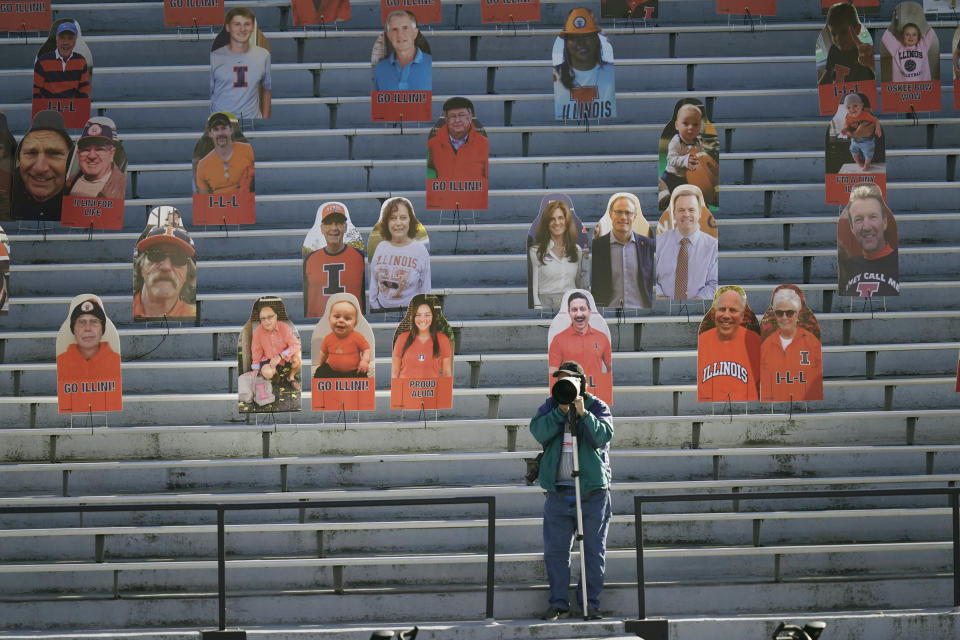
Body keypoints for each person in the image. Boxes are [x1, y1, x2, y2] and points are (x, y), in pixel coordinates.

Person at [530, 360, 613, 620]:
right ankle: (559, 604)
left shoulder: (596, 406)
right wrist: (560, 411)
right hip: (558, 493)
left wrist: (583, 414)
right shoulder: (551, 406)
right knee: (555, 552)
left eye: (569, 380)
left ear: (581, 382)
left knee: (593, 552)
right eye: (560, 380)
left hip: (592, 493)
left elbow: (603, 436)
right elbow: (537, 430)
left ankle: (590, 605)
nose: (563, 384)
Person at [56, 297, 122, 412]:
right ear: (73, 329)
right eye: (81, 322)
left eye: (94, 322)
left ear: (102, 329)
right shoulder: (62, 360)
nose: (87, 328)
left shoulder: (114, 360)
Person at [590, 192, 654, 308]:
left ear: (635, 217)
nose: (623, 217)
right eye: (618, 212)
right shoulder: (597, 246)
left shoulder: (648, 246)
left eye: (628, 213)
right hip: (607, 312)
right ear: (610, 214)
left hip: (641, 312)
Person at [697, 287, 761, 402]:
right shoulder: (703, 338)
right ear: (714, 312)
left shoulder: (753, 339)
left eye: (732, 310)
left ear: (742, 315)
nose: (726, 315)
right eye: (722, 309)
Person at [655, 185, 718, 301]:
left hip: (699, 310)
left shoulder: (713, 246)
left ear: (700, 213)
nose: (686, 214)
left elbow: (714, 283)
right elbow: (648, 278)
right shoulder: (658, 243)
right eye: (681, 210)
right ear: (674, 213)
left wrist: (697, 302)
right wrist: (658, 295)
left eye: (691, 209)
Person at [760, 288, 823, 402]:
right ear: (775, 315)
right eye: (779, 313)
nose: (784, 318)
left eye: (789, 313)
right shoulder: (766, 345)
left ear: (797, 314)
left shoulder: (812, 342)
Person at [368, 197, 431, 311]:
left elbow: (425, 288)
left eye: (403, 218)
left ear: (410, 220)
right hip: (381, 310)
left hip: (410, 312)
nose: (398, 223)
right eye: (392, 218)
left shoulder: (420, 250)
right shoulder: (380, 247)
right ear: (386, 222)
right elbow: (374, 282)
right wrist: (376, 307)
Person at [304, 202, 365, 317]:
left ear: (345, 227)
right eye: (328, 223)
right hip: (319, 321)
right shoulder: (310, 260)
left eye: (339, 223)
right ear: (321, 228)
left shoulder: (358, 257)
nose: (334, 228)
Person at [552, 7, 615, 119]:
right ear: (566, 43)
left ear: (597, 40)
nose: (581, 43)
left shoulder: (610, 71)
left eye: (587, 36)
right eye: (574, 37)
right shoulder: (557, 74)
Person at [838, 184, 900, 297]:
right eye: (859, 219)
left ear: (885, 222)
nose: (866, 227)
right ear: (851, 227)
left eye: (873, 217)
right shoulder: (847, 267)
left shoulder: (900, 261)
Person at [210, 8, 272, 119]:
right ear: (228, 27)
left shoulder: (264, 55)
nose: (242, 29)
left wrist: (264, 119)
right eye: (237, 24)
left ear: (253, 27)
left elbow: (267, 89)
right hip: (222, 124)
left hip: (252, 121)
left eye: (247, 24)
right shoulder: (214, 57)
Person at [12, 110, 72, 221]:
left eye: (54, 154)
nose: (40, 168)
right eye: (31, 153)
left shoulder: (84, 194)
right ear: (19, 160)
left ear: (70, 161)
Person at [133, 226, 197, 320]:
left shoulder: (192, 316)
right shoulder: (124, 309)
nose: (166, 267)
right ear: (141, 266)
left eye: (179, 258)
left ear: (187, 273)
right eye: (156, 254)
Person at [529, 200, 584, 309]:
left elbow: (579, 283)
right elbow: (534, 289)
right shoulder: (536, 251)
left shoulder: (576, 250)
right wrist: (538, 310)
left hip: (570, 306)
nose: (557, 223)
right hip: (546, 305)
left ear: (567, 221)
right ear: (546, 223)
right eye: (552, 219)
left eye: (560, 218)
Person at [548, 291, 611, 380]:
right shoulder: (558, 340)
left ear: (589, 311)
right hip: (569, 391)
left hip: (595, 392)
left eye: (582, 309)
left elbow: (611, 368)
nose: (579, 314)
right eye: (574, 310)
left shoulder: (602, 338)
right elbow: (552, 374)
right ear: (569, 312)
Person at [426, 97, 488, 181]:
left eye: (462, 115)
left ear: (470, 117)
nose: (457, 120)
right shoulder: (432, 145)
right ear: (446, 119)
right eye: (452, 116)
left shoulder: (484, 144)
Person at [391, 296, 453, 378]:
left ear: (433, 317)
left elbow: (447, 374)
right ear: (413, 317)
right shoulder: (402, 338)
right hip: (406, 389)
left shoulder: (443, 340)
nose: (422, 319)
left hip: (430, 390)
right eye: (418, 315)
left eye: (427, 315)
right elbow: (395, 373)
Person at [195, 112, 255, 194]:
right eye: (216, 129)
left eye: (223, 128)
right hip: (219, 205)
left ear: (231, 130)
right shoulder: (203, 165)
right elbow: (204, 200)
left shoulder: (248, 151)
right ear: (210, 133)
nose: (220, 133)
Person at [373, 10, 432, 92]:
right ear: (389, 36)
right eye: (394, 29)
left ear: (415, 33)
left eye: (405, 28)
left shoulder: (432, 64)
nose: (400, 34)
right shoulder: (380, 69)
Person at [818, 3, 875, 86]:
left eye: (844, 32)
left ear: (858, 29)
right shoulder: (833, 49)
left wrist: (871, 64)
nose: (838, 39)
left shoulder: (865, 54)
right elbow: (827, 74)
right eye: (833, 34)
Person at [313, 299, 371, 378]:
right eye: (337, 317)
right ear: (329, 319)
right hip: (333, 372)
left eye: (347, 319)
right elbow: (323, 353)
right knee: (321, 371)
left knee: (362, 373)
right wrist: (320, 364)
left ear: (355, 323)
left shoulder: (357, 337)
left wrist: (364, 361)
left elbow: (366, 349)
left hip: (353, 371)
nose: (341, 320)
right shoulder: (328, 338)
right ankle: (322, 388)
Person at [68, 119, 125, 199]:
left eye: (100, 149)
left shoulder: (120, 185)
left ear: (112, 153)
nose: (92, 156)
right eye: (86, 150)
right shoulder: (69, 183)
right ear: (78, 154)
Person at [251, 302, 302, 390]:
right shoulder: (257, 332)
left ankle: (291, 377)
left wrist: (281, 356)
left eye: (270, 317)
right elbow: (256, 351)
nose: (266, 321)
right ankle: (276, 374)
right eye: (263, 319)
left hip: (285, 357)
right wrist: (255, 369)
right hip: (268, 359)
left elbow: (296, 345)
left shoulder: (284, 327)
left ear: (276, 316)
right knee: (267, 373)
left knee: (298, 359)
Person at [33, 21, 90, 100]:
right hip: (49, 110)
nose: (66, 42)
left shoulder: (81, 61)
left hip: (72, 110)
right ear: (57, 40)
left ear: (75, 41)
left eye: (70, 38)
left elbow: (83, 92)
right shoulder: (42, 62)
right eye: (62, 37)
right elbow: (36, 92)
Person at [660, 103, 705, 195]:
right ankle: (664, 195)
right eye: (685, 123)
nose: (691, 127)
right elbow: (671, 159)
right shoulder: (676, 141)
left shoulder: (698, 142)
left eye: (695, 124)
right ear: (677, 125)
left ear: (700, 127)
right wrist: (685, 160)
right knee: (665, 187)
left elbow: (701, 156)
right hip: (672, 175)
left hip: (688, 177)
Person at [841, 92, 882, 172]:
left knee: (868, 152)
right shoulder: (849, 117)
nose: (852, 109)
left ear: (862, 105)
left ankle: (867, 164)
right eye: (848, 107)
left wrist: (878, 129)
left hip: (866, 140)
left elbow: (876, 120)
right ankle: (858, 162)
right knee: (852, 150)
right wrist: (844, 130)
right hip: (854, 140)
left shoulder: (865, 115)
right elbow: (846, 125)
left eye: (855, 106)